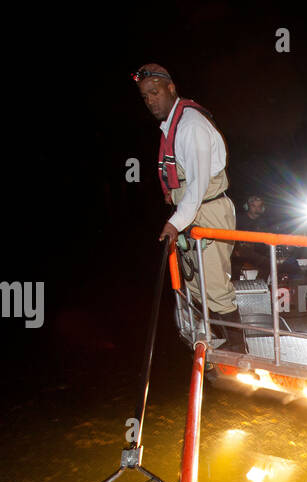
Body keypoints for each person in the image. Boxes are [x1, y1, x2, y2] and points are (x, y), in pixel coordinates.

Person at [134, 63, 240, 335]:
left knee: (215, 289)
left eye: (155, 92)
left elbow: (198, 185)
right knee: (197, 286)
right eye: (145, 96)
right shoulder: (172, 125)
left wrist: (174, 223)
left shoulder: (190, 126)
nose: (150, 101)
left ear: (171, 88)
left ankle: (237, 354)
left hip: (207, 214)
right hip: (193, 216)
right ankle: (212, 351)